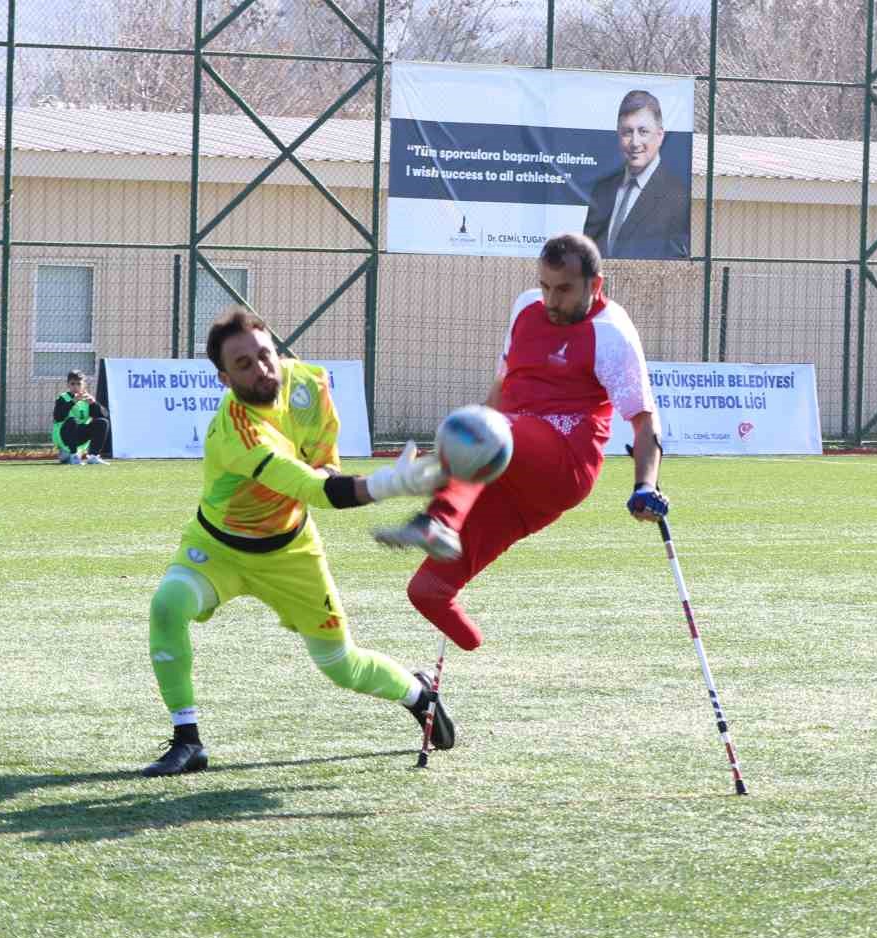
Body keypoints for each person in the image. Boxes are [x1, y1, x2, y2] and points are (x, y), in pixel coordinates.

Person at [142, 308, 453, 777]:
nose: (261, 368)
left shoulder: (309, 384)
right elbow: (310, 488)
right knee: (168, 605)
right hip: (219, 547)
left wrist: (367, 483)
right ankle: (188, 741)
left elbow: (323, 470)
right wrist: (386, 486)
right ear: (225, 379)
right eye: (243, 365)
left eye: (265, 355)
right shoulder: (238, 432)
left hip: (291, 551)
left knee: (340, 665)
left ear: (278, 351)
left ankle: (419, 694)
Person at [374, 232, 668, 653]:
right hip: (507, 469)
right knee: (426, 590)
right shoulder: (525, 307)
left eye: (564, 289)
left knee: (489, 431)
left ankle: (433, 516)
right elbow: (503, 384)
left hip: (564, 462)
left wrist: (645, 485)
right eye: (546, 286)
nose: (551, 300)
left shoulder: (611, 333)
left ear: (595, 285)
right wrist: (466, 440)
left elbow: (643, 419)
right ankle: (452, 669)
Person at [581, 90, 691, 260]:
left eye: (643, 132)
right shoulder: (602, 189)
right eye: (627, 132)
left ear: (660, 136)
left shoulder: (678, 199)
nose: (635, 142)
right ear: (618, 135)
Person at [52, 369, 109, 465]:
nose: (76, 387)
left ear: (83, 385)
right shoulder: (63, 398)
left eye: (79, 384)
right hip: (64, 437)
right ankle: (73, 455)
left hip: (80, 435)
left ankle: (93, 456)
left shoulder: (86, 399)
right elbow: (58, 417)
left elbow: (104, 415)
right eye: (73, 384)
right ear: (68, 385)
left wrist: (94, 404)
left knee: (103, 422)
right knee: (72, 421)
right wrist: (73, 402)